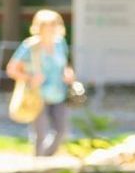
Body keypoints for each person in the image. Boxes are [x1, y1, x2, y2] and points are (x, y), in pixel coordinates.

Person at [5, 9, 81, 156]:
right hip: (38, 94)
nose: (51, 28)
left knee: (62, 130)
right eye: (47, 25)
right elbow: (11, 69)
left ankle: (47, 156)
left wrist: (68, 73)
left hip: (60, 93)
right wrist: (29, 78)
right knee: (40, 133)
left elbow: (65, 64)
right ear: (39, 27)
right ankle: (38, 161)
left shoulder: (60, 43)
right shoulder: (30, 46)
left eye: (54, 24)